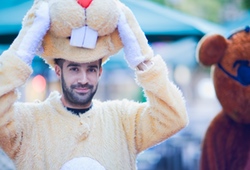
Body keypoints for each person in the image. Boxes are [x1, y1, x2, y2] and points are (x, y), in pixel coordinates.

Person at [0, 2, 188, 170]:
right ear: (58, 71)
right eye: (74, 69)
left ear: (100, 72)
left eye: (91, 69)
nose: (83, 79)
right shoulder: (29, 122)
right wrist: (21, 51)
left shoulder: (123, 120)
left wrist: (142, 58)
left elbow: (174, 117)